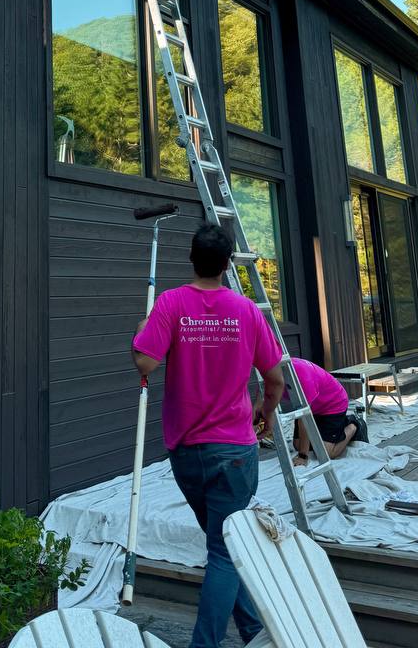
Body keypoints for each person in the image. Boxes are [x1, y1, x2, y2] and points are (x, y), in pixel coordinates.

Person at [132, 224, 285, 648]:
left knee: (223, 545)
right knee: (224, 551)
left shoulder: (171, 304)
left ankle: (252, 629)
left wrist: (142, 328)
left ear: (191, 258)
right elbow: (275, 380)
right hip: (235, 452)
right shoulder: (247, 311)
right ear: (229, 264)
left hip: (187, 453)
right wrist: (266, 412)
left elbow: (145, 362)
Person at [288, 357, 368, 466]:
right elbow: (264, 397)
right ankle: (326, 433)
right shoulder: (270, 373)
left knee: (327, 452)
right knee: (298, 445)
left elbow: (304, 419)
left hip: (333, 404)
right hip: (314, 406)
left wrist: (303, 456)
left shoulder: (302, 376)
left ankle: (355, 424)